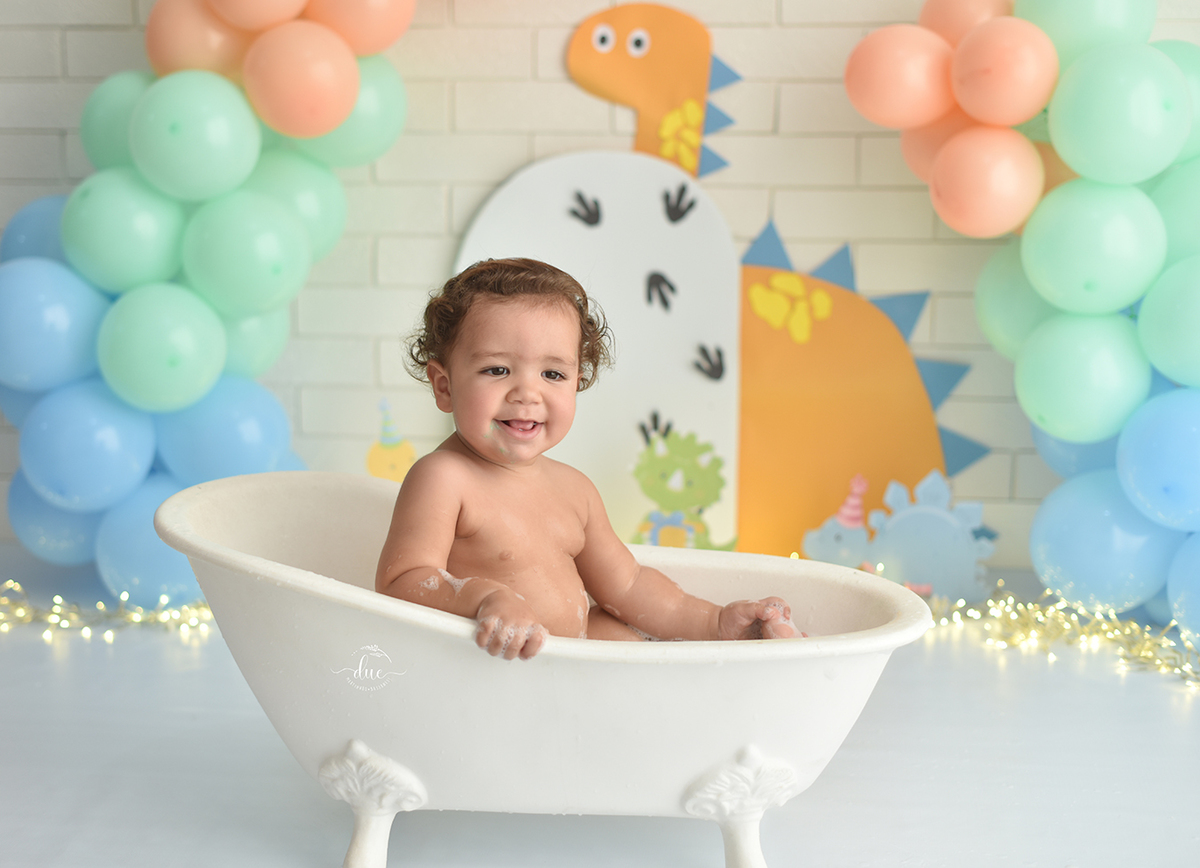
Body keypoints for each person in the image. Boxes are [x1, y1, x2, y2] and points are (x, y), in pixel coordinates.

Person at [375, 257, 796, 660]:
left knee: (621, 632)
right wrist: (484, 598)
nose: (527, 393)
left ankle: (723, 652)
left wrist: (715, 621)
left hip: (568, 662)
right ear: (444, 386)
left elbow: (628, 587)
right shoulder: (443, 478)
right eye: (497, 370)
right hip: (491, 665)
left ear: (578, 381)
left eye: (552, 374)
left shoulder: (574, 490)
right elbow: (401, 581)